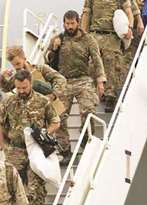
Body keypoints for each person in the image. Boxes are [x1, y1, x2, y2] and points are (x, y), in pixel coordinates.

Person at [0, 69, 60, 205]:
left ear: (30, 83)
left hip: (35, 150)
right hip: (15, 150)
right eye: (18, 88)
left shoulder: (42, 101)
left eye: (24, 87)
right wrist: (3, 146)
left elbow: (56, 121)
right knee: (12, 187)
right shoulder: (9, 101)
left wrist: (44, 133)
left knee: (35, 188)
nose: (21, 91)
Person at [46, 10, 106, 159]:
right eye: (67, 23)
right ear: (64, 23)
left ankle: (86, 137)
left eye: (72, 23)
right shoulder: (58, 38)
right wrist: (54, 48)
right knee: (58, 117)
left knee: (89, 110)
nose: (70, 26)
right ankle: (65, 151)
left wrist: (100, 81)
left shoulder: (88, 39)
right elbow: (46, 59)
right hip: (63, 81)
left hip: (83, 80)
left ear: (78, 23)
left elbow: (97, 60)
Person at [0, 46, 69, 160]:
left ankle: (65, 154)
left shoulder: (40, 69)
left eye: (18, 63)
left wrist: (53, 95)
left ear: (24, 58)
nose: (17, 67)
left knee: (60, 134)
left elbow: (60, 79)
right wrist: (3, 78)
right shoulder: (18, 76)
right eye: (14, 65)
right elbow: (6, 88)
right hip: (35, 113)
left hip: (52, 106)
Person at [81, 0, 136, 112]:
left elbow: (129, 12)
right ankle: (94, 95)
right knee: (92, 65)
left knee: (112, 65)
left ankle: (110, 96)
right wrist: (82, 34)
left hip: (112, 36)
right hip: (94, 34)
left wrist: (129, 27)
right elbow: (86, 15)